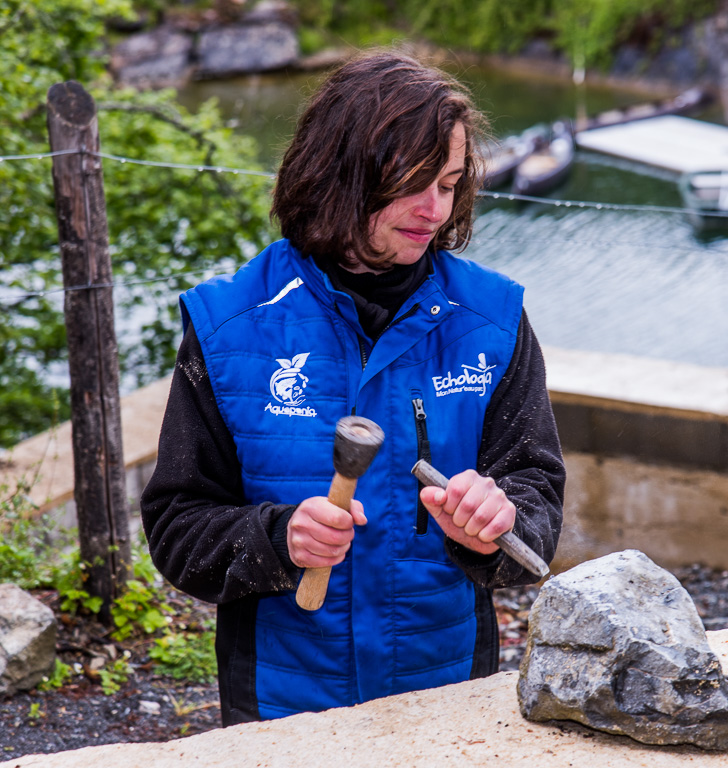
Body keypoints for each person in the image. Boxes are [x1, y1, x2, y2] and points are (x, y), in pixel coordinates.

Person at [140, 50, 565, 726]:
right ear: (341, 172)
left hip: (447, 701)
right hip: (283, 712)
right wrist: (279, 540)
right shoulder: (229, 325)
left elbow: (536, 501)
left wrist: (497, 524)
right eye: (414, 182)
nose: (435, 208)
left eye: (451, 183)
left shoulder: (492, 320)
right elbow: (177, 527)